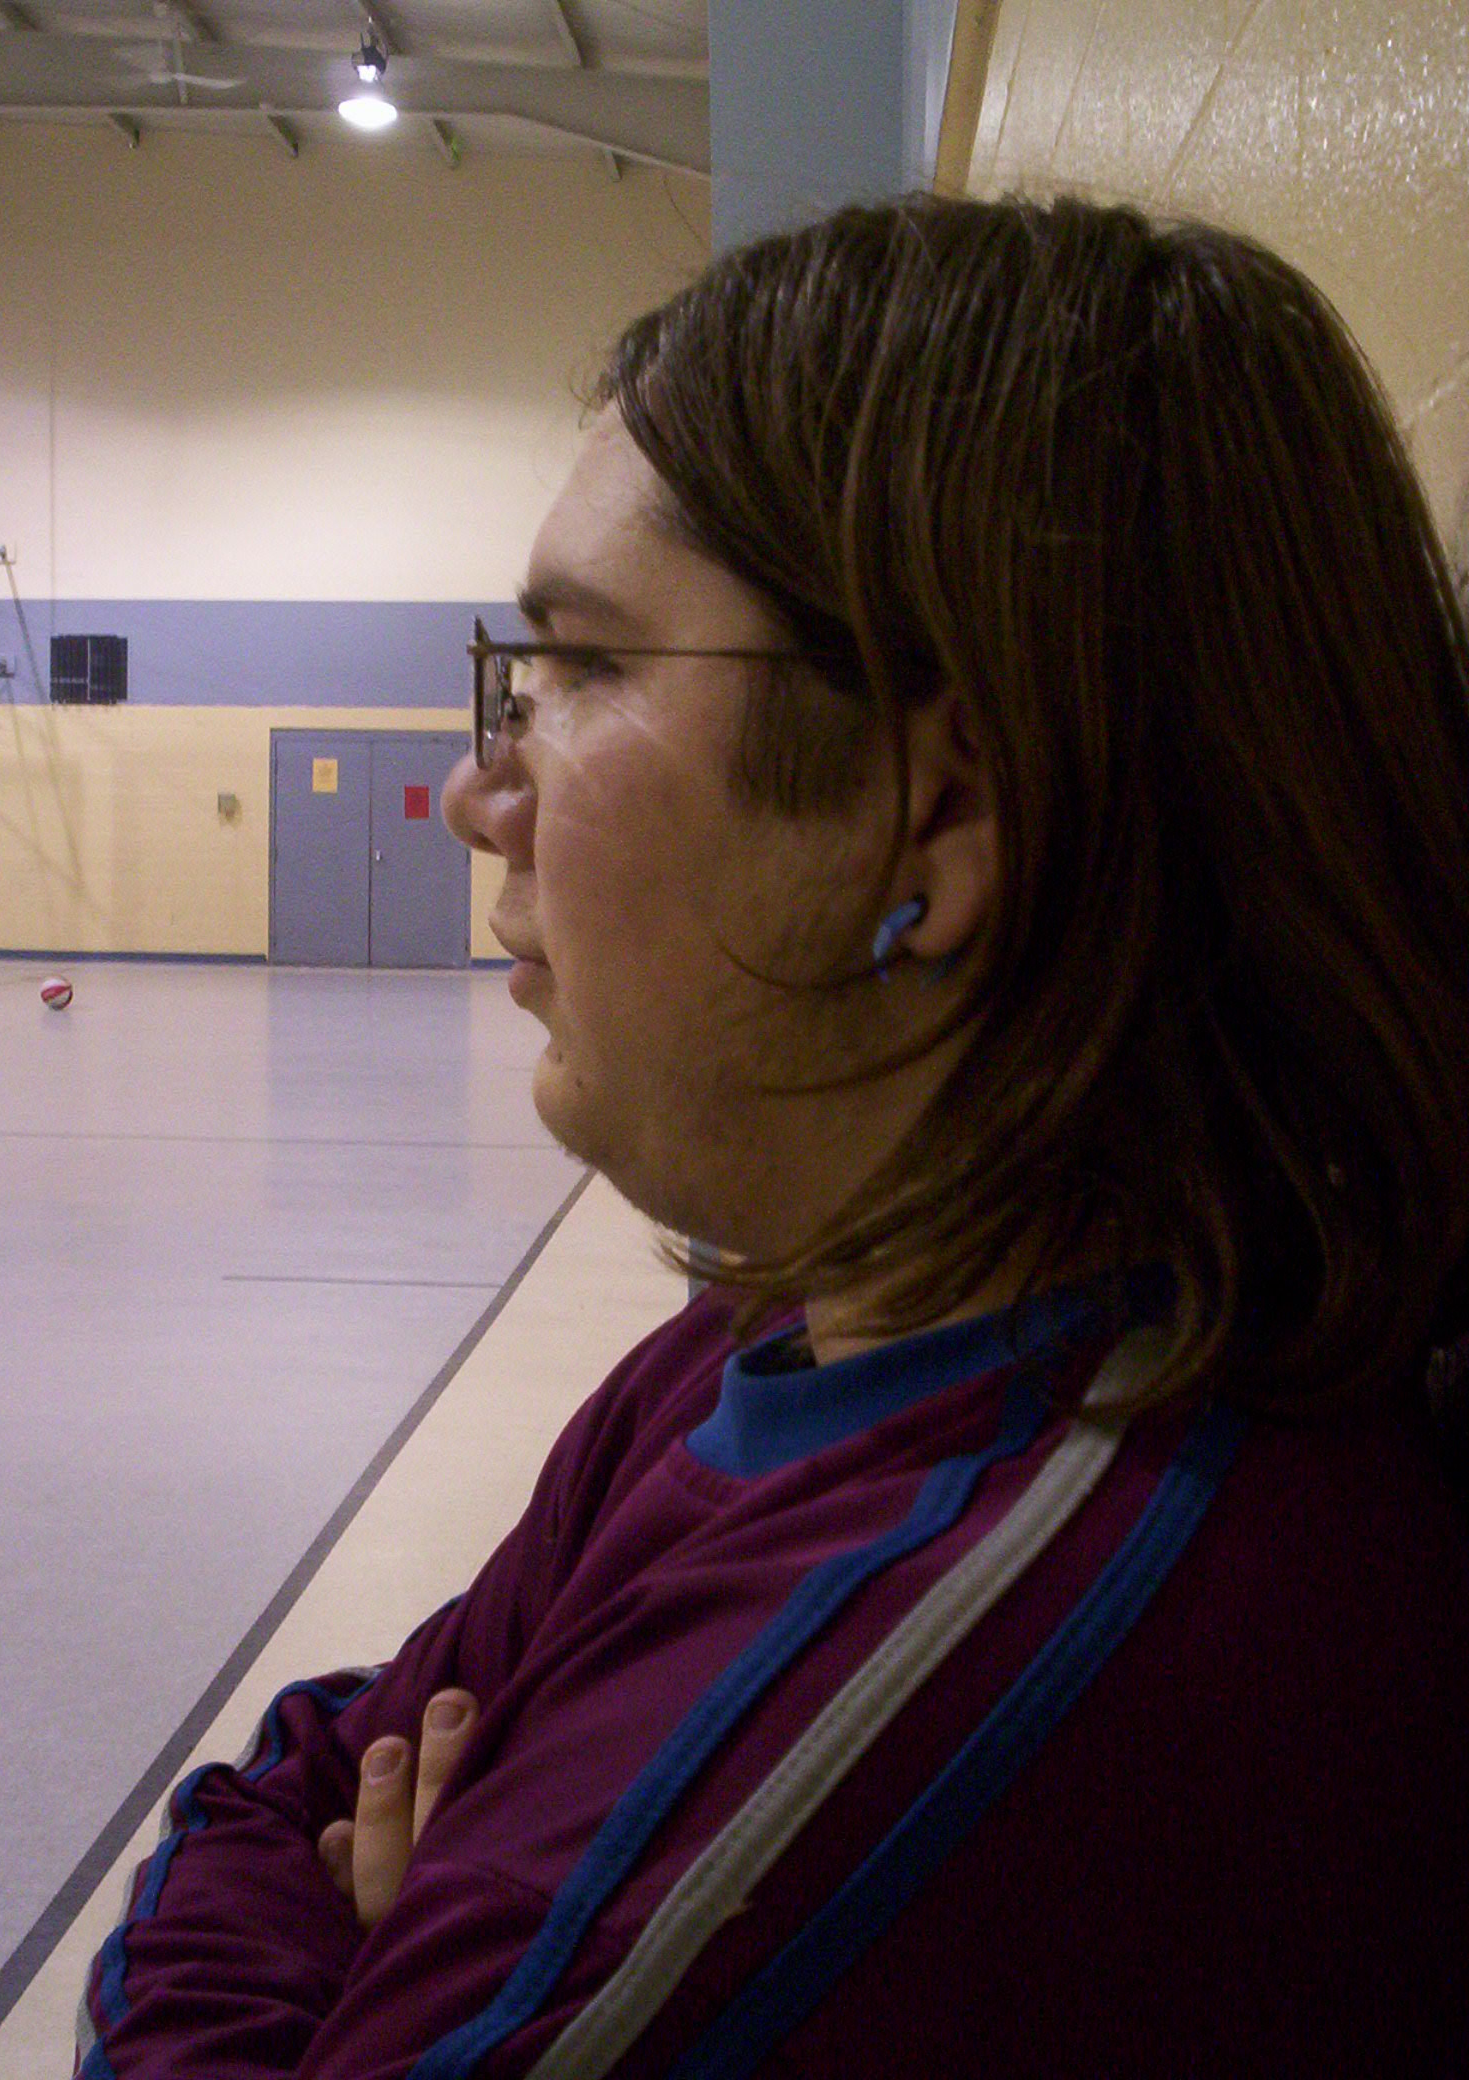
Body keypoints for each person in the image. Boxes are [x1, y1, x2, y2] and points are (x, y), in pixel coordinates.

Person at [76, 190, 1469, 2079]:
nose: (478, 789)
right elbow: (303, 1778)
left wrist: (378, 1946)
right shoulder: (773, 1338)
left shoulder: (955, 1658)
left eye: (584, 669)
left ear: (937, 815)